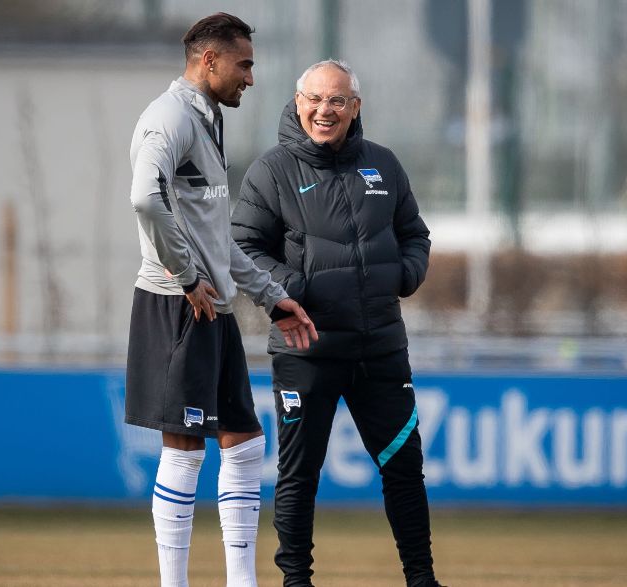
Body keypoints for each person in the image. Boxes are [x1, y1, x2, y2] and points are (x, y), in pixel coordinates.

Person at [231, 60, 444, 587]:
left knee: (404, 469)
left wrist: (404, 274)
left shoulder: (384, 165)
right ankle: (296, 581)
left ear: (355, 107)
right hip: (306, 350)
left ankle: (422, 579)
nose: (324, 110)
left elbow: (415, 234)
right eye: (315, 99)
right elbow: (243, 247)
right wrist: (293, 289)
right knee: (299, 474)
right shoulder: (271, 171)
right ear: (298, 101)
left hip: (380, 349)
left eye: (337, 100)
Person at [125, 13, 318, 587]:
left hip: (214, 307)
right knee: (185, 450)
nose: (251, 78)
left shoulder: (205, 119)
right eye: (244, 64)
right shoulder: (169, 117)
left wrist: (271, 296)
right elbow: (144, 197)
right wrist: (186, 276)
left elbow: (214, 237)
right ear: (209, 60)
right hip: (178, 304)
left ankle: (242, 581)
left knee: (245, 444)